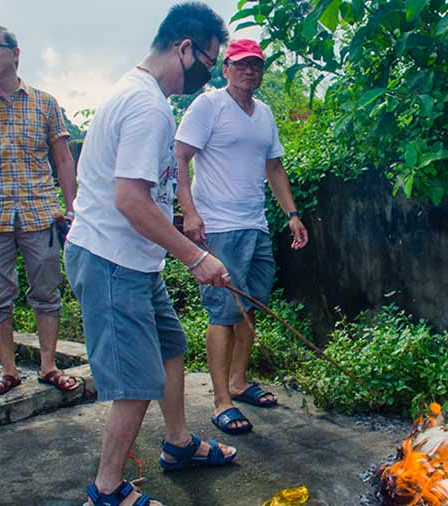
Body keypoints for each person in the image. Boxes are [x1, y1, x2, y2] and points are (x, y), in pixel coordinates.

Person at [64, 4, 235, 505]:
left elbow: (144, 195)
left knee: (170, 347)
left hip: (135, 259)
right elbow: (131, 199)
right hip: (112, 260)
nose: (209, 76)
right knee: (137, 381)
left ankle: (179, 444)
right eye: (209, 62)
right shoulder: (146, 106)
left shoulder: (142, 95)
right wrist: (196, 257)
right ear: (185, 48)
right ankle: (107, 488)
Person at [175, 38, 308, 435]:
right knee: (223, 311)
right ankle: (221, 402)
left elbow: (275, 167)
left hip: (256, 226)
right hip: (218, 225)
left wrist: (293, 215)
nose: (250, 71)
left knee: (250, 306)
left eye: (257, 65)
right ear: (226, 68)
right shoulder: (208, 105)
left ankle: (239, 381)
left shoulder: (264, 113)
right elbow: (179, 157)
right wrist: (190, 213)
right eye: (242, 64)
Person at [0, 24, 80, 397]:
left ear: (15, 52)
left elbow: (63, 159)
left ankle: (49, 366)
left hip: (41, 214)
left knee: (47, 291)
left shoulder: (45, 102)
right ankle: (8, 371)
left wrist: (72, 210)